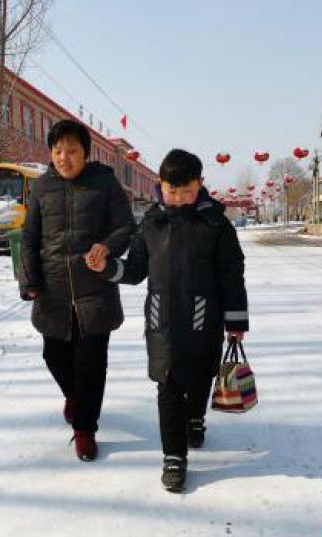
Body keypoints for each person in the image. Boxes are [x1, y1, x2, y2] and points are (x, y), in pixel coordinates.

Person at [86, 149, 249, 492]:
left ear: (199, 185)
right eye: (171, 192)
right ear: (161, 187)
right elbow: (134, 270)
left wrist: (236, 322)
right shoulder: (152, 223)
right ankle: (174, 457)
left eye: (186, 191)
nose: (178, 199)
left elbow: (232, 276)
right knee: (168, 384)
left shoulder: (216, 224)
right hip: (162, 321)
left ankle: (195, 417)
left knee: (203, 372)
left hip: (205, 318)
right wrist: (108, 269)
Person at [18, 119, 136, 462]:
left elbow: (126, 225)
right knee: (53, 356)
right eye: (57, 151)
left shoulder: (104, 183)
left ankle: (85, 429)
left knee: (91, 364)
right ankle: (75, 397)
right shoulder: (41, 188)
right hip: (52, 291)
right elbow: (28, 238)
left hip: (94, 290)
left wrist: (107, 246)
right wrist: (30, 282)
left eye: (71, 151)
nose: (64, 158)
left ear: (86, 152)